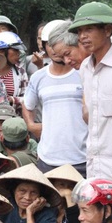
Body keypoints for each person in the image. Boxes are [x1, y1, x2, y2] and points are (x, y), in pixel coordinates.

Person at [68, 2, 112, 217]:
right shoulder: (85, 68)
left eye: (89, 29)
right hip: (96, 172)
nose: (82, 36)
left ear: (107, 30)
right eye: (79, 31)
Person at [23, 19, 87, 174]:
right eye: (48, 44)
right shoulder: (38, 77)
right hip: (48, 158)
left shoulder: (84, 72)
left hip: (83, 157)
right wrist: (31, 125)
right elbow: (27, 105)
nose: (53, 49)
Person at [0, 32, 29, 115]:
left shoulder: (21, 72)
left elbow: (27, 98)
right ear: (1, 51)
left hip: (12, 122)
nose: (19, 53)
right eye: (15, 50)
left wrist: (13, 100)